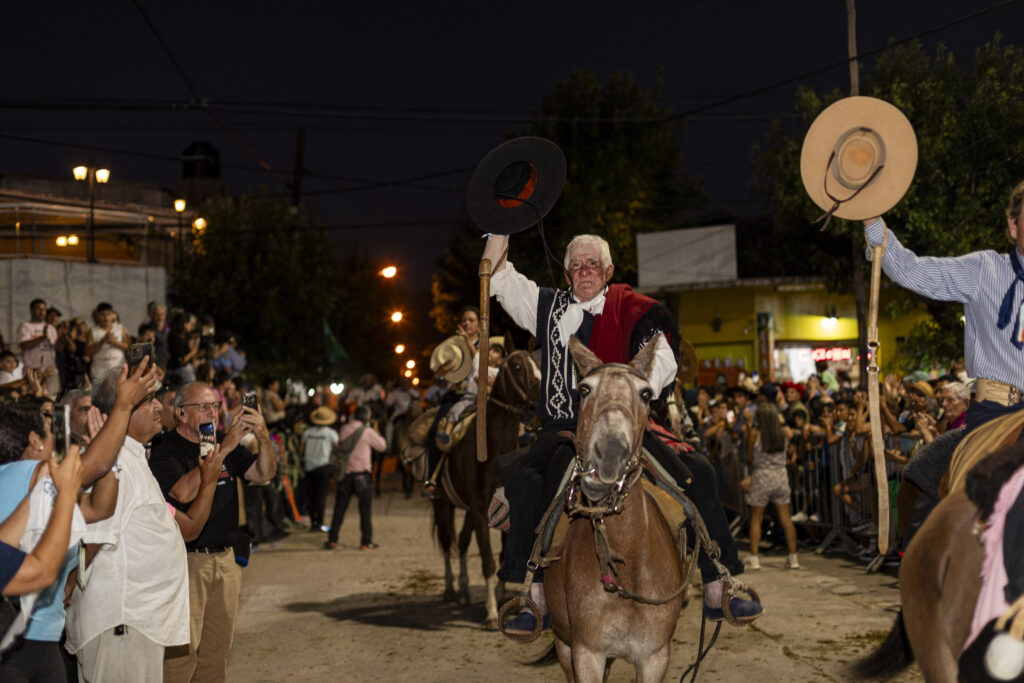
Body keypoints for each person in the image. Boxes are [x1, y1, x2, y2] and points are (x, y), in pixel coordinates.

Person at [483, 232, 761, 633]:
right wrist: (500, 225)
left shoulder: (637, 311)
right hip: (565, 431)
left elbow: (664, 358)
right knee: (529, 484)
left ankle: (721, 582)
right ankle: (533, 593)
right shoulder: (545, 307)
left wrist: (626, 388)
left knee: (698, 471)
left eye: (592, 264)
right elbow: (497, 279)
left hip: (627, 427)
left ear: (609, 271)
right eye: (576, 265)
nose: (584, 271)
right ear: (566, 272)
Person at [63, 369, 208, 682]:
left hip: (131, 624)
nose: (159, 407)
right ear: (119, 412)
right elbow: (90, 542)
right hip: (121, 624)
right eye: (146, 401)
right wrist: (70, 585)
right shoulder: (111, 465)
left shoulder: (130, 457)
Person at [148, 381, 276, 683]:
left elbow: (263, 473)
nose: (213, 412)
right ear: (180, 413)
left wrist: (263, 436)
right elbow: (179, 493)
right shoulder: (166, 450)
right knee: (182, 654)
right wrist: (227, 446)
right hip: (188, 562)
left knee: (217, 652)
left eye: (215, 406)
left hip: (226, 561)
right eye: (203, 406)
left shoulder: (222, 441)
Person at [742, 403, 799, 570]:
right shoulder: (785, 434)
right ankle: (793, 557)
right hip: (780, 476)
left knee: (756, 518)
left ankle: (754, 558)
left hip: (761, 477)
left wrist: (748, 424)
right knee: (786, 518)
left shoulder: (755, 435)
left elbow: (750, 458)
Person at [325, 406, 386, 550]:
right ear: (366, 418)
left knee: (339, 508)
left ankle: (332, 539)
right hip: (362, 476)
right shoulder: (368, 431)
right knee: (365, 511)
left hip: (345, 475)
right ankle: (366, 541)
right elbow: (382, 446)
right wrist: (375, 428)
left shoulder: (344, 429)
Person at [301, 406, 339, 533]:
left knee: (310, 496)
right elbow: (336, 450)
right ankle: (321, 522)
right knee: (321, 497)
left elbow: (302, 449)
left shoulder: (307, 432)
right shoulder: (331, 433)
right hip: (323, 467)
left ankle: (313, 523)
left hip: (309, 467)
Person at [16, 299, 58, 396]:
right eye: (38, 309)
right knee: (36, 402)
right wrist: (42, 338)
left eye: (44, 309)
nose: (42, 312)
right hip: (34, 372)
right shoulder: (25, 326)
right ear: (31, 310)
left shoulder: (50, 327)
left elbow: (57, 347)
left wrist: (64, 336)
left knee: (53, 401)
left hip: (50, 371)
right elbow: (23, 345)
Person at [86, 302, 129, 381]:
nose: (106, 318)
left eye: (108, 314)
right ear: (98, 315)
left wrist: (114, 342)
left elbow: (128, 347)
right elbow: (88, 352)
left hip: (118, 371)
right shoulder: (92, 331)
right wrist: (102, 341)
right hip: (99, 373)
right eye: (102, 314)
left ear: (112, 315)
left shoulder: (120, 328)